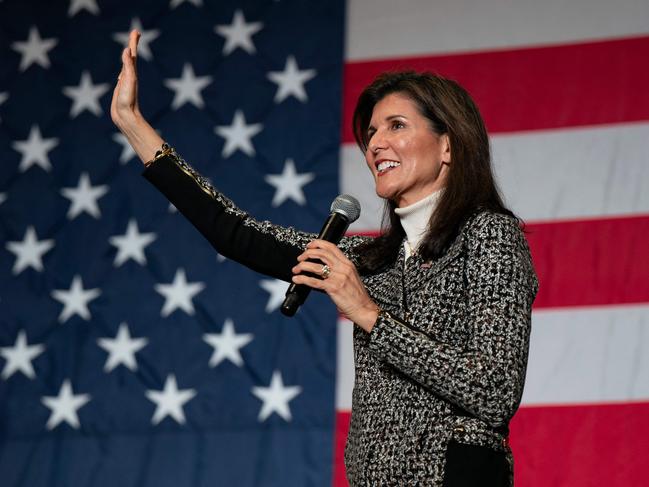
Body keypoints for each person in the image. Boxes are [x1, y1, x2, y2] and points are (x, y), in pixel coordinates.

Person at [112, 31, 538, 486]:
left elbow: (494, 390)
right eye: (371, 132)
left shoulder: (489, 235)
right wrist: (132, 122)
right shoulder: (369, 258)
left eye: (396, 126)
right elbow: (235, 233)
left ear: (448, 145)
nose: (375, 144)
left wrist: (370, 315)